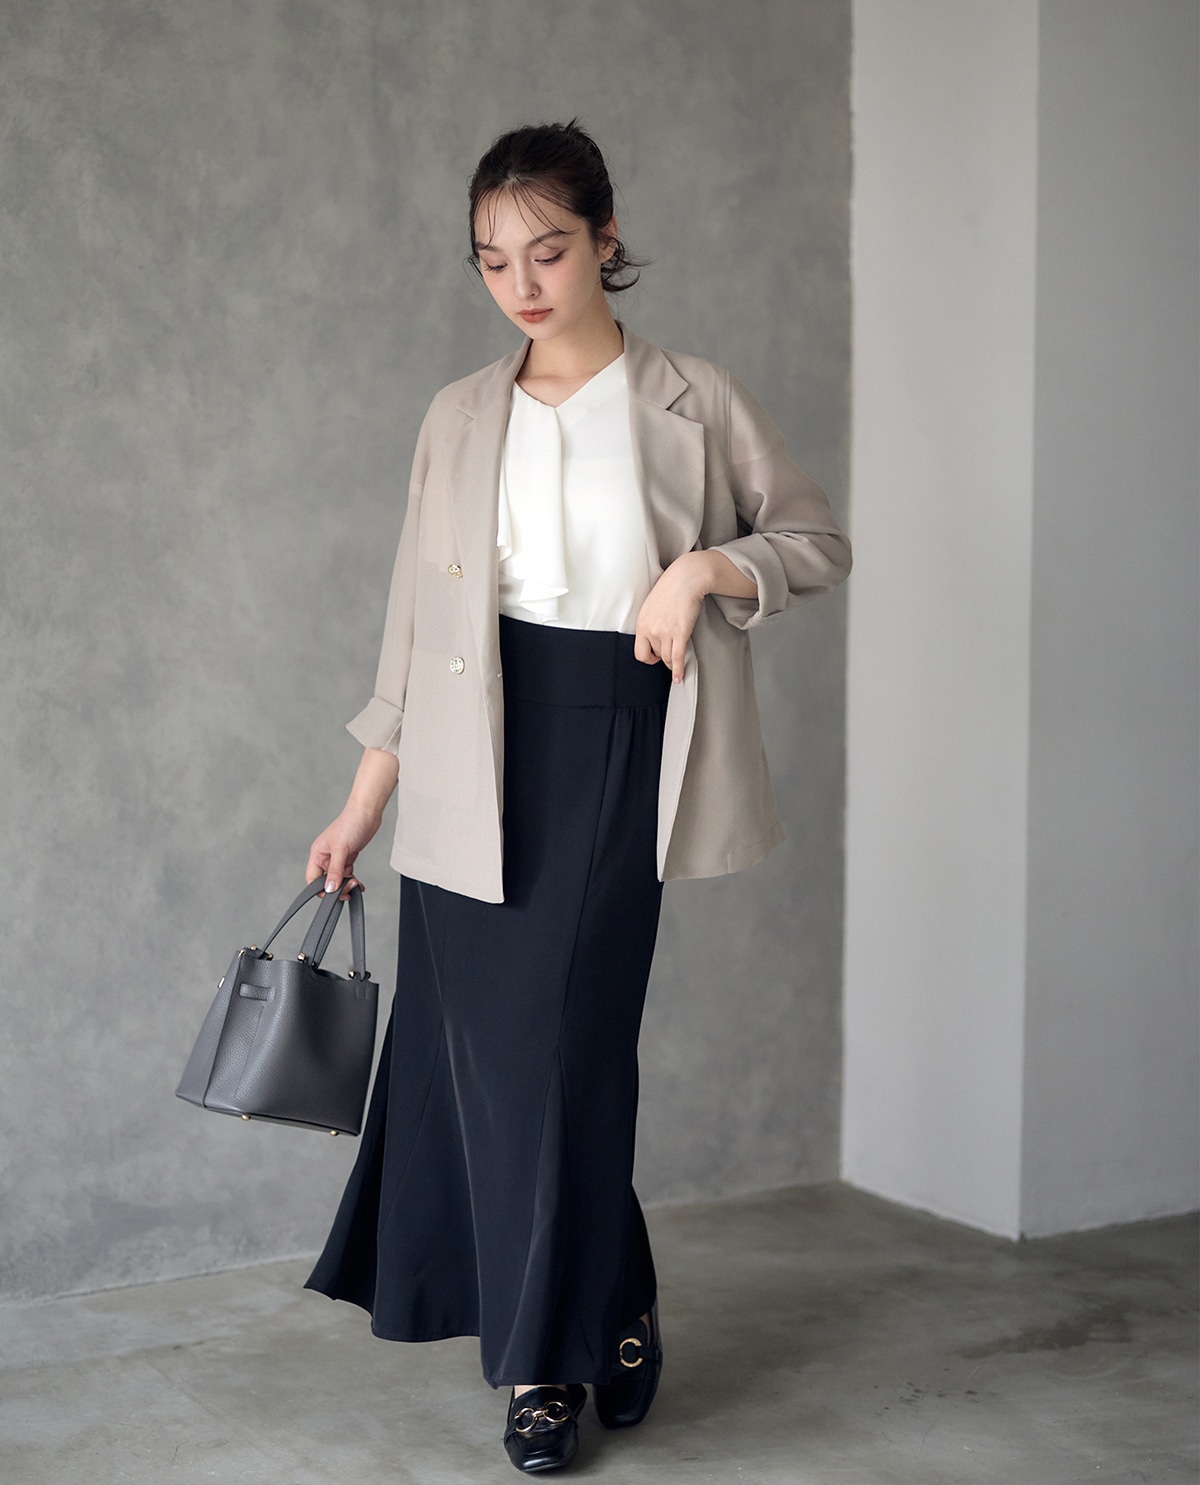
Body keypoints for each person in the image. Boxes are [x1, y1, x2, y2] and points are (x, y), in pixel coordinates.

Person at [301, 119, 851, 1474]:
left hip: (615, 734)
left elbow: (815, 537)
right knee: (492, 1068)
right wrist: (364, 802)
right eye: (493, 261)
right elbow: (414, 630)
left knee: (561, 1054)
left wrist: (704, 571)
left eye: (547, 251)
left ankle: (543, 1366)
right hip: (462, 760)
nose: (522, 283)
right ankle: (612, 1304)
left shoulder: (694, 397)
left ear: (606, 239)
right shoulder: (456, 413)